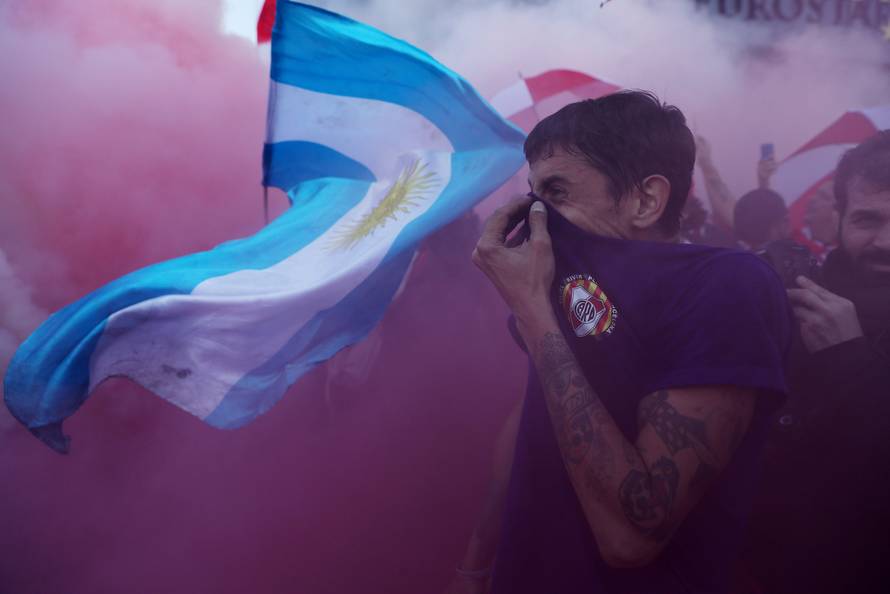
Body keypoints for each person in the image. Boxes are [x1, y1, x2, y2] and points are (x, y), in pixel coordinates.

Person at [447, 91, 791, 594]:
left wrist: (534, 312)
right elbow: (529, 418)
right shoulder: (565, 285)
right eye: (533, 194)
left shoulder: (727, 285)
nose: (535, 215)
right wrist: (475, 564)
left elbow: (631, 536)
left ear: (645, 200)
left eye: (557, 193)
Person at [745, 130, 890, 594]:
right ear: (840, 219)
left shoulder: (835, 329)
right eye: (868, 220)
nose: (885, 241)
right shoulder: (803, 297)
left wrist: (850, 360)